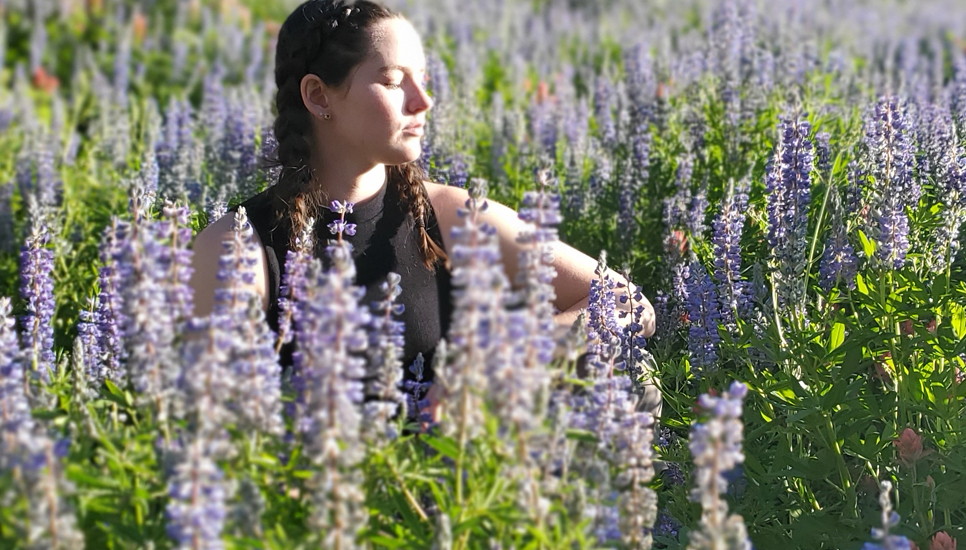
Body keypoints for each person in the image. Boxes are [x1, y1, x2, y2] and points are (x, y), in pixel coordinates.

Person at [188, 0, 656, 429]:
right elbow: (212, 419)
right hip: (317, 496)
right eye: (394, 82)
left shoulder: (452, 215)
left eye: (423, 79)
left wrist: (497, 364)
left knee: (629, 369)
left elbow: (627, 304)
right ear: (318, 97)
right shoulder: (240, 246)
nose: (422, 101)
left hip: (456, 487)